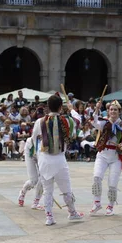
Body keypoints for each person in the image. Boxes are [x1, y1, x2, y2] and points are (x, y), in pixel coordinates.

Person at [31, 95, 84, 226]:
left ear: (48, 107)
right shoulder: (67, 121)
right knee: (66, 189)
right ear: (61, 107)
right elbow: (78, 120)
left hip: (44, 158)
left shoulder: (40, 121)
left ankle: (49, 217)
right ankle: (72, 212)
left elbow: (33, 139)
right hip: (59, 159)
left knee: (47, 189)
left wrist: (37, 155)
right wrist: (71, 109)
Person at [90, 100, 122, 216]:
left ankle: (110, 206)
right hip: (103, 154)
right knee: (96, 177)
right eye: (111, 109)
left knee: (112, 183)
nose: (113, 111)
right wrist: (97, 108)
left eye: (115, 109)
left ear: (119, 111)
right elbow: (94, 122)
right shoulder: (104, 123)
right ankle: (97, 203)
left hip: (116, 157)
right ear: (108, 111)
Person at [17, 136, 44, 210]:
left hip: (42, 153)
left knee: (43, 178)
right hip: (30, 151)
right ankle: (23, 192)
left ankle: (36, 202)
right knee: (34, 180)